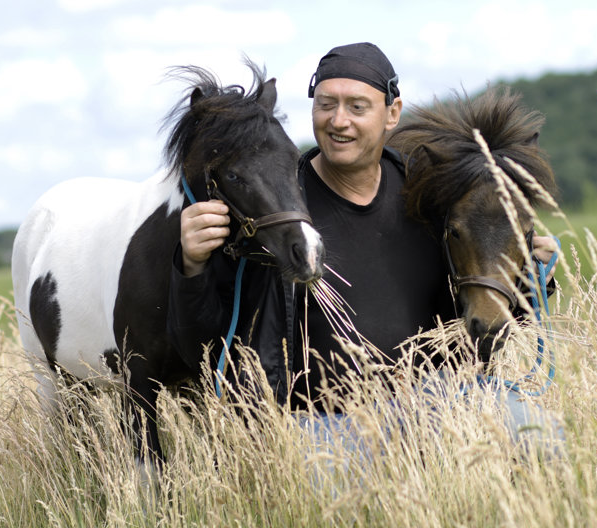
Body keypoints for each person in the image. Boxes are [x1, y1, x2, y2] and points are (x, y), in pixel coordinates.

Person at [167, 43, 560, 431]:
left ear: (392, 114)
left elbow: (484, 322)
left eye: (357, 107)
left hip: (436, 409)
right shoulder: (271, 211)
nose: (339, 121)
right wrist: (191, 266)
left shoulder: (429, 198)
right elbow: (201, 348)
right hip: (318, 428)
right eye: (326, 104)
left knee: (543, 436)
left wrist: (529, 278)